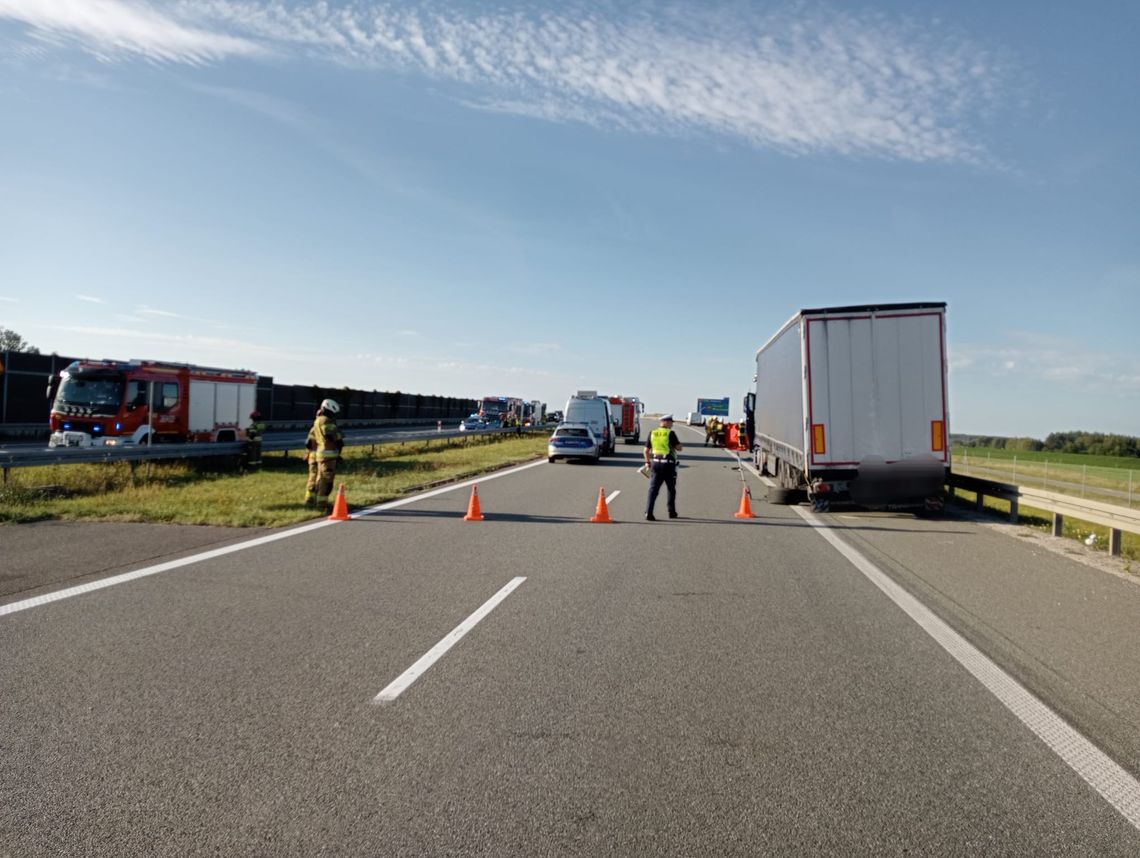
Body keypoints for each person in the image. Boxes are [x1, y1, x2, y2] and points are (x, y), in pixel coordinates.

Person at [303, 398, 344, 510]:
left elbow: (309, 442)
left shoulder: (316, 422)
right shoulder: (326, 421)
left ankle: (310, 501)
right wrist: (339, 438)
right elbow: (331, 436)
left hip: (319, 455)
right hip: (328, 455)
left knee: (316, 479)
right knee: (325, 481)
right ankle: (321, 506)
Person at [643, 413, 683, 521]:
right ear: (665, 422)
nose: (672, 424)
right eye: (670, 422)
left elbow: (646, 450)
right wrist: (678, 445)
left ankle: (649, 512)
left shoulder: (652, 433)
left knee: (653, 489)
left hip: (656, 463)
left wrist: (647, 462)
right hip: (668, 464)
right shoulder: (670, 433)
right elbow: (679, 448)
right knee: (671, 488)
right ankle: (671, 512)